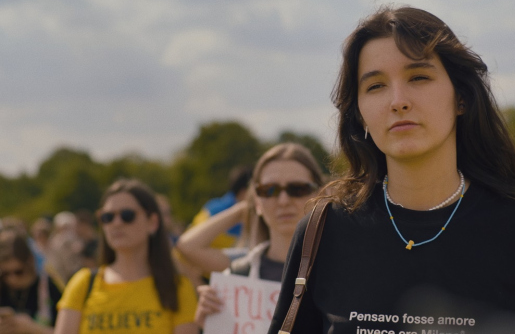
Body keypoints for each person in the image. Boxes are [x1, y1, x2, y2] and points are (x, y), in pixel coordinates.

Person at [268, 6, 515, 334]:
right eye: (375, 86)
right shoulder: (323, 232)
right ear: (358, 113)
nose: (398, 101)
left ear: (461, 97)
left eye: (418, 77)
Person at [175, 143, 323, 327]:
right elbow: (186, 246)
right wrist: (215, 324)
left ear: (320, 194)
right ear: (257, 200)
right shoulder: (239, 272)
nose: (284, 200)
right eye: (269, 190)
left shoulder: (344, 269)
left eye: (298, 189)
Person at [54, 179, 198, 334]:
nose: (116, 223)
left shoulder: (178, 288)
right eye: (107, 217)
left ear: (153, 222)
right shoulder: (82, 283)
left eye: (127, 215)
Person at [0, 228, 63, 334]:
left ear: (30, 261)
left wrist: (35, 329)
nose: (12, 278)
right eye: (5, 273)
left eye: (18, 272)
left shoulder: (50, 286)